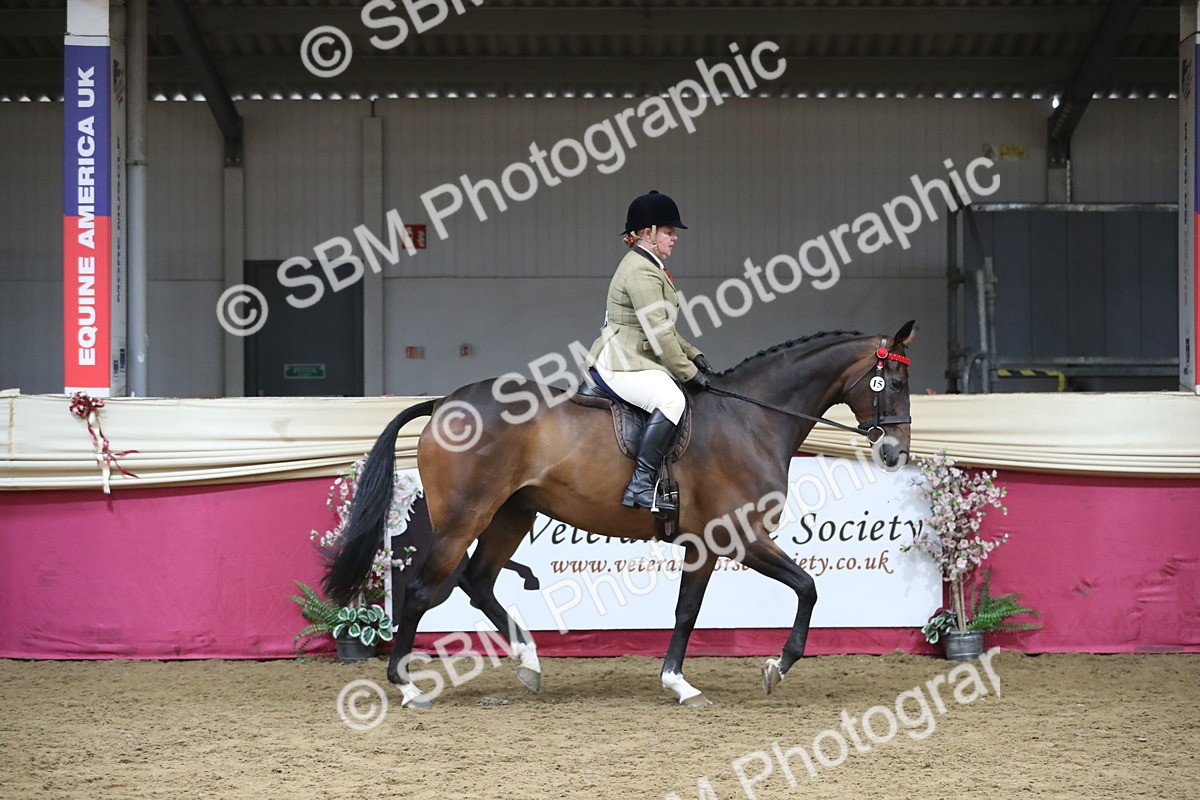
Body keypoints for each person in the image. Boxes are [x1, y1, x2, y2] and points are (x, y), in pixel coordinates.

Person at [586, 190, 713, 511]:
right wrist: (688, 372)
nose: (674, 238)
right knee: (672, 399)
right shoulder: (641, 271)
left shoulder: (649, 265)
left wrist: (692, 353)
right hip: (621, 362)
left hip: (635, 357)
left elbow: (665, 328)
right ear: (648, 234)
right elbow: (658, 334)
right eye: (669, 232)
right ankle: (640, 484)